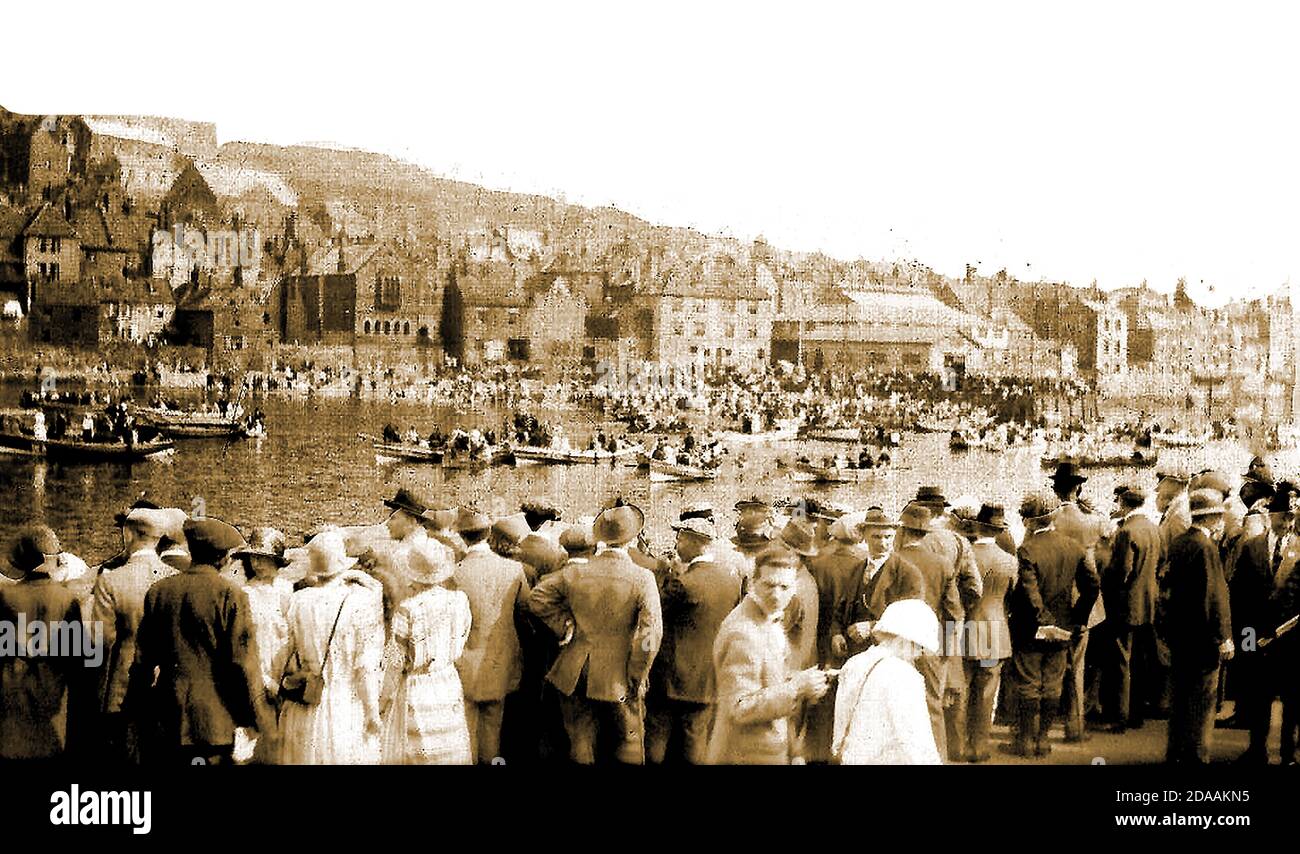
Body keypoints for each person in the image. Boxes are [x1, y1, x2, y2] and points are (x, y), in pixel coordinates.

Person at [126, 518, 275, 765]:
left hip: (167, 714)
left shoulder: (159, 591)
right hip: (215, 719)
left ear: (191, 551)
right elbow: (243, 663)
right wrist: (257, 717)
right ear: (224, 558)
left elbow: (142, 661)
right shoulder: (231, 595)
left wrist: (135, 709)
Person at [529, 503, 662, 764]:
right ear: (633, 538)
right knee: (629, 742)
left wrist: (564, 623)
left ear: (600, 537)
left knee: (580, 740)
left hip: (574, 670)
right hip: (620, 674)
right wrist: (638, 674)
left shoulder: (577, 571)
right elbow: (650, 634)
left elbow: (537, 598)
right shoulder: (642, 577)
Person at [707, 545, 832, 764]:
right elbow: (740, 707)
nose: (776, 594)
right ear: (753, 583)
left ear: (795, 588)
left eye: (784, 587)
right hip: (742, 755)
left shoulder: (769, 619)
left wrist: (795, 752)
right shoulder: (742, 632)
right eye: (769, 585)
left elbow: (768, 681)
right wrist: (796, 687)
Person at [1005, 490, 1099, 758]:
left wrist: (1043, 620)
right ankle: (1043, 740)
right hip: (1064, 625)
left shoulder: (1027, 550)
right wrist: (1078, 618)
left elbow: (1029, 591)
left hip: (1030, 627)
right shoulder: (1074, 547)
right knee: (1053, 684)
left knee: (1029, 683)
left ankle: (1025, 740)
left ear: (1029, 521)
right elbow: (1092, 586)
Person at [278, 530, 385, 765]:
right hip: (343, 706)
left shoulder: (299, 600)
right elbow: (365, 667)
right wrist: (371, 714)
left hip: (305, 701)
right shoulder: (360, 601)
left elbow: (285, 653)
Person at [865, 503, 960, 758]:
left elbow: (876, 604)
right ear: (925, 533)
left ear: (902, 531)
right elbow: (955, 613)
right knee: (932, 707)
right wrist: (945, 653)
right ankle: (937, 757)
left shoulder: (893, 561)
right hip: (929, 645)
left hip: (895, 645)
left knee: (891, 707)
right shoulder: (943, 564)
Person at [646, 517, 742, 765]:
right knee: (695, 738)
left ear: (692, 542)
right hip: (709, 674)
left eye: (680, 538)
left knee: (657, 734)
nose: (676, 544)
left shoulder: (683, 583)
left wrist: (663, 573)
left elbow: (654, 611)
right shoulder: (730, 580)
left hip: (671, 675)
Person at [89, 508, 178, 765]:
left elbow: (101, 639)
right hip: (165, 682)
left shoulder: (111, 580)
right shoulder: (173, 578)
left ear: (128, 534)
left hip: (122, 685)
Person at [0, 525, 92, 762]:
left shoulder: (6, 597)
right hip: (52, 695)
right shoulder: (66, 599)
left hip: (11, 694)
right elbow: (79, 661)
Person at [380, 540, 473, 765]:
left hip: (417, 684)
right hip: (447, 679)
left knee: (419, 748)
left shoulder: (408, 609)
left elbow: (395, 659)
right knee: (449, 745)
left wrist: (383, 698)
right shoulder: (459, 600)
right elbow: (464, 633)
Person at [453, 509, 532, 764]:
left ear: (462, 537)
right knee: (493, 727)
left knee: (466, 728)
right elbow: (526, 610)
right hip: (502, 656)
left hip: (463, 661)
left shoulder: (454, 573)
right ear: (488, 534)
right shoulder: (514, 569)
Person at [1162, 490, 1234, 764]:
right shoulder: (1206, 548)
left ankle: (1176, 753)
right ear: (1213, 518)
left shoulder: (1179, 543)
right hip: (1202, 640)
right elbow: (1213, 596)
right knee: (1203, 703)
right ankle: (1197, 757)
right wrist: (1223, 637)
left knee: (1179, 700)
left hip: (1180, 635)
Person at [832, 599, 943, 765]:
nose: (919, 655)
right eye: (920, 647)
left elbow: (840, 724)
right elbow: (917, 745)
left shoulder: (855, 663)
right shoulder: (906, 676)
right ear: (909, 640)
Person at [1049, 461, 1113, 743]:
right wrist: (1091, 509)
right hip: (1083, 600)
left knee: (1049, 663)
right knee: (1077, 665)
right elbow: (1110, 535)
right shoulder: (1091, 521)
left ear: (1055, 488)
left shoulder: (1047, 520)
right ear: (1078, 488)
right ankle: (1075, 726)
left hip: (1051, 597)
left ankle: (1042, 724)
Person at [1229, 489, 1295, 763]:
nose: (1288, 523)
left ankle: (1288, 753)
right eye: (1284, 517)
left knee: (1291, 698)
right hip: (1255, 634)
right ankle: (1257, 749)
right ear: (1271, 516)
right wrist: (1244, 639)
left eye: (1292, 518)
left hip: (1289, 638)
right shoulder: (1252, 546)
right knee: (1258, 694)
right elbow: (1239, 592)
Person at [958, 504, 1019, 762]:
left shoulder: (963, 555)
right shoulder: (1010, 561)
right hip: (995, 631)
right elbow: (1012, 599)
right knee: (986, 692)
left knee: (961, 689)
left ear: (978, 527)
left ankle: (959, 745)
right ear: (998, 530)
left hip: (962, 630)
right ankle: (980, 746)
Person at [1100, 486, 1161, 733]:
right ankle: (1137, 713)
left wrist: (1107, 584)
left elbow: (1121, 571)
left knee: (1121, 660)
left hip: (1127, 604)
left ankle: (1120, 716)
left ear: (1123, 503)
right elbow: (1162, 562)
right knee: (1140, 661)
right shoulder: (1154, 529)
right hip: (1149, 602)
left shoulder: (1126, 531)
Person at [232, 528, 293, 763]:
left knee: (278, 738)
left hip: (281, 669)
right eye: (253, 557)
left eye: (263, 558)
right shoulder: (244, 593)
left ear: (276, 560)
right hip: (254, 669)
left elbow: (292, 635)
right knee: (248, 735)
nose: (257, 563)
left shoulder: (287, 591)